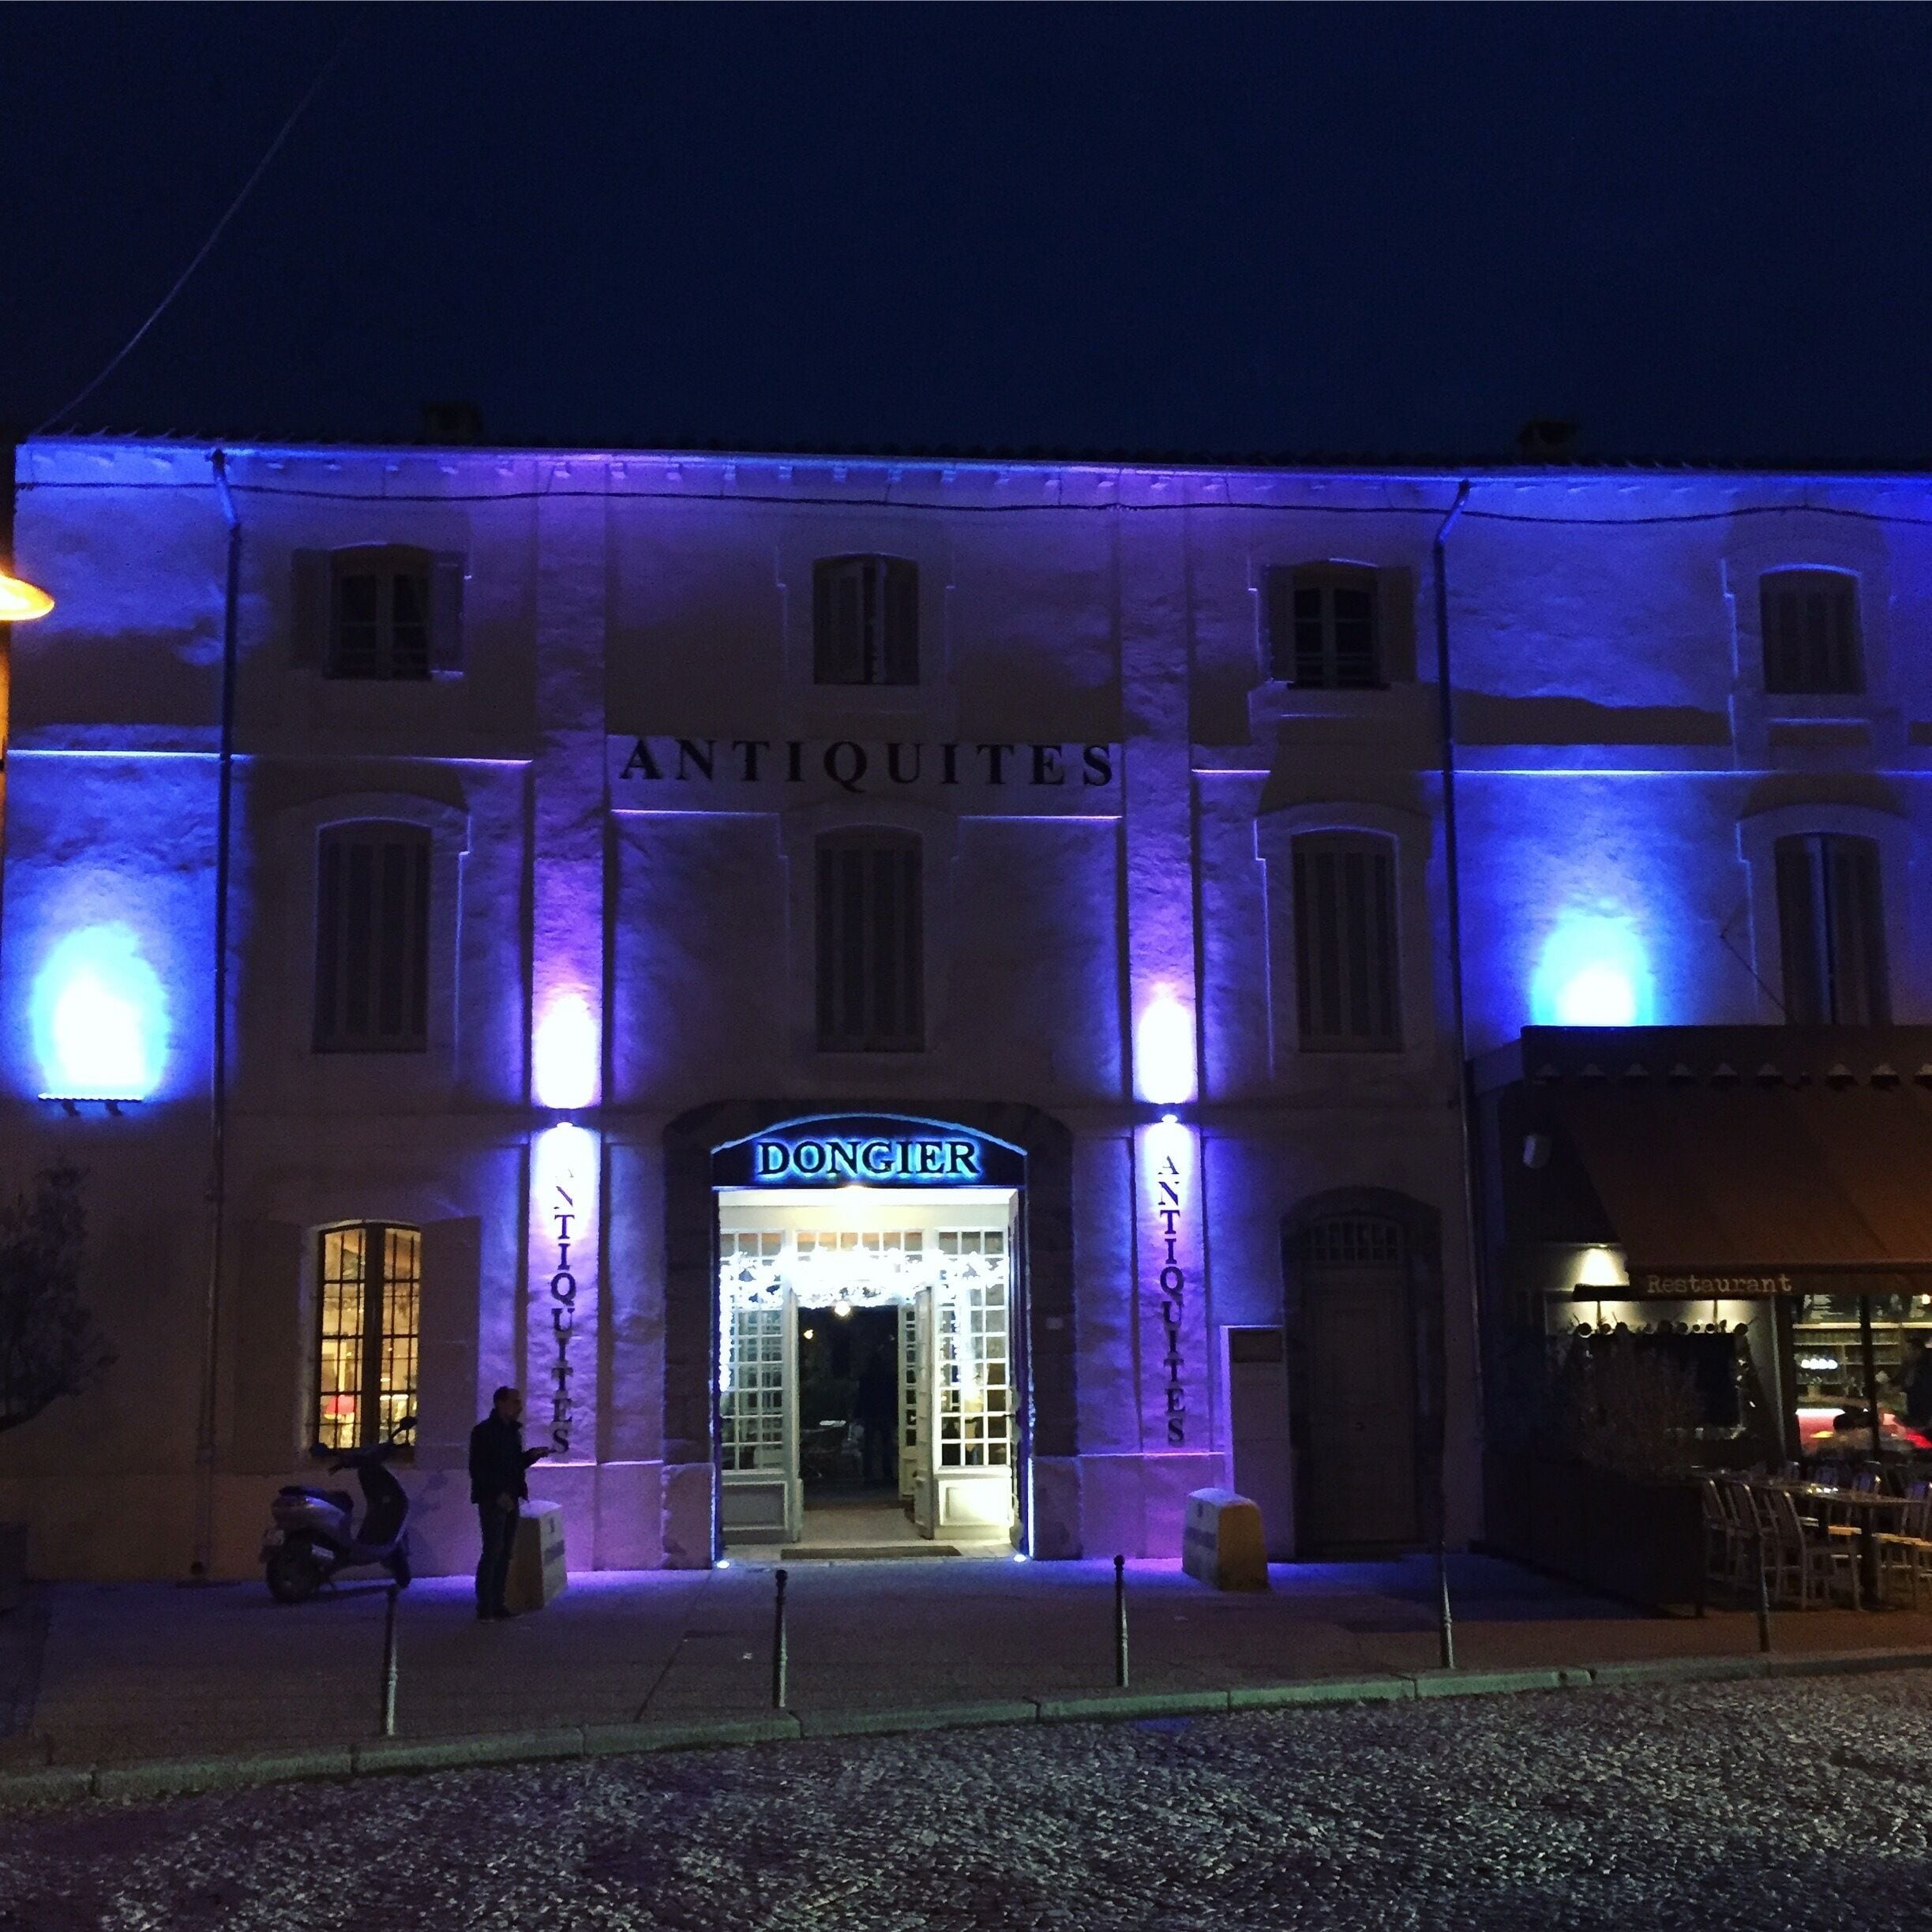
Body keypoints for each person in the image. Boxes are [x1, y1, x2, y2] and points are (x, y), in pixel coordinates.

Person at [469, 1386, 545, 1622]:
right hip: (494, 1500)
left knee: (505, 1552)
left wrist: (531, 1456)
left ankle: (498, 1604)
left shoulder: (513, 1432)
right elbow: (478, 1469)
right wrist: (496, 1493)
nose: (519, 1405)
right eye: (515, 1401)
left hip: (512, 1498)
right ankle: (485, 1607)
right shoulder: (483, 1432)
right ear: (501, 1404)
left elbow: (513, 1465)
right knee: (492, 1551)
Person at [854, 1347, 897, 1487]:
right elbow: (893, 1398)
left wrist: (858, 1415)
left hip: (870, 1414)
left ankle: (868, 1474)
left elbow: (861, 1398)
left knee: (868, 1446)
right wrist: (896, 1415)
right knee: (886, 1446)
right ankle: (888, 1472)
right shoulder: (889, 1378)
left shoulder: (865, 1378)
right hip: (884, 1413)